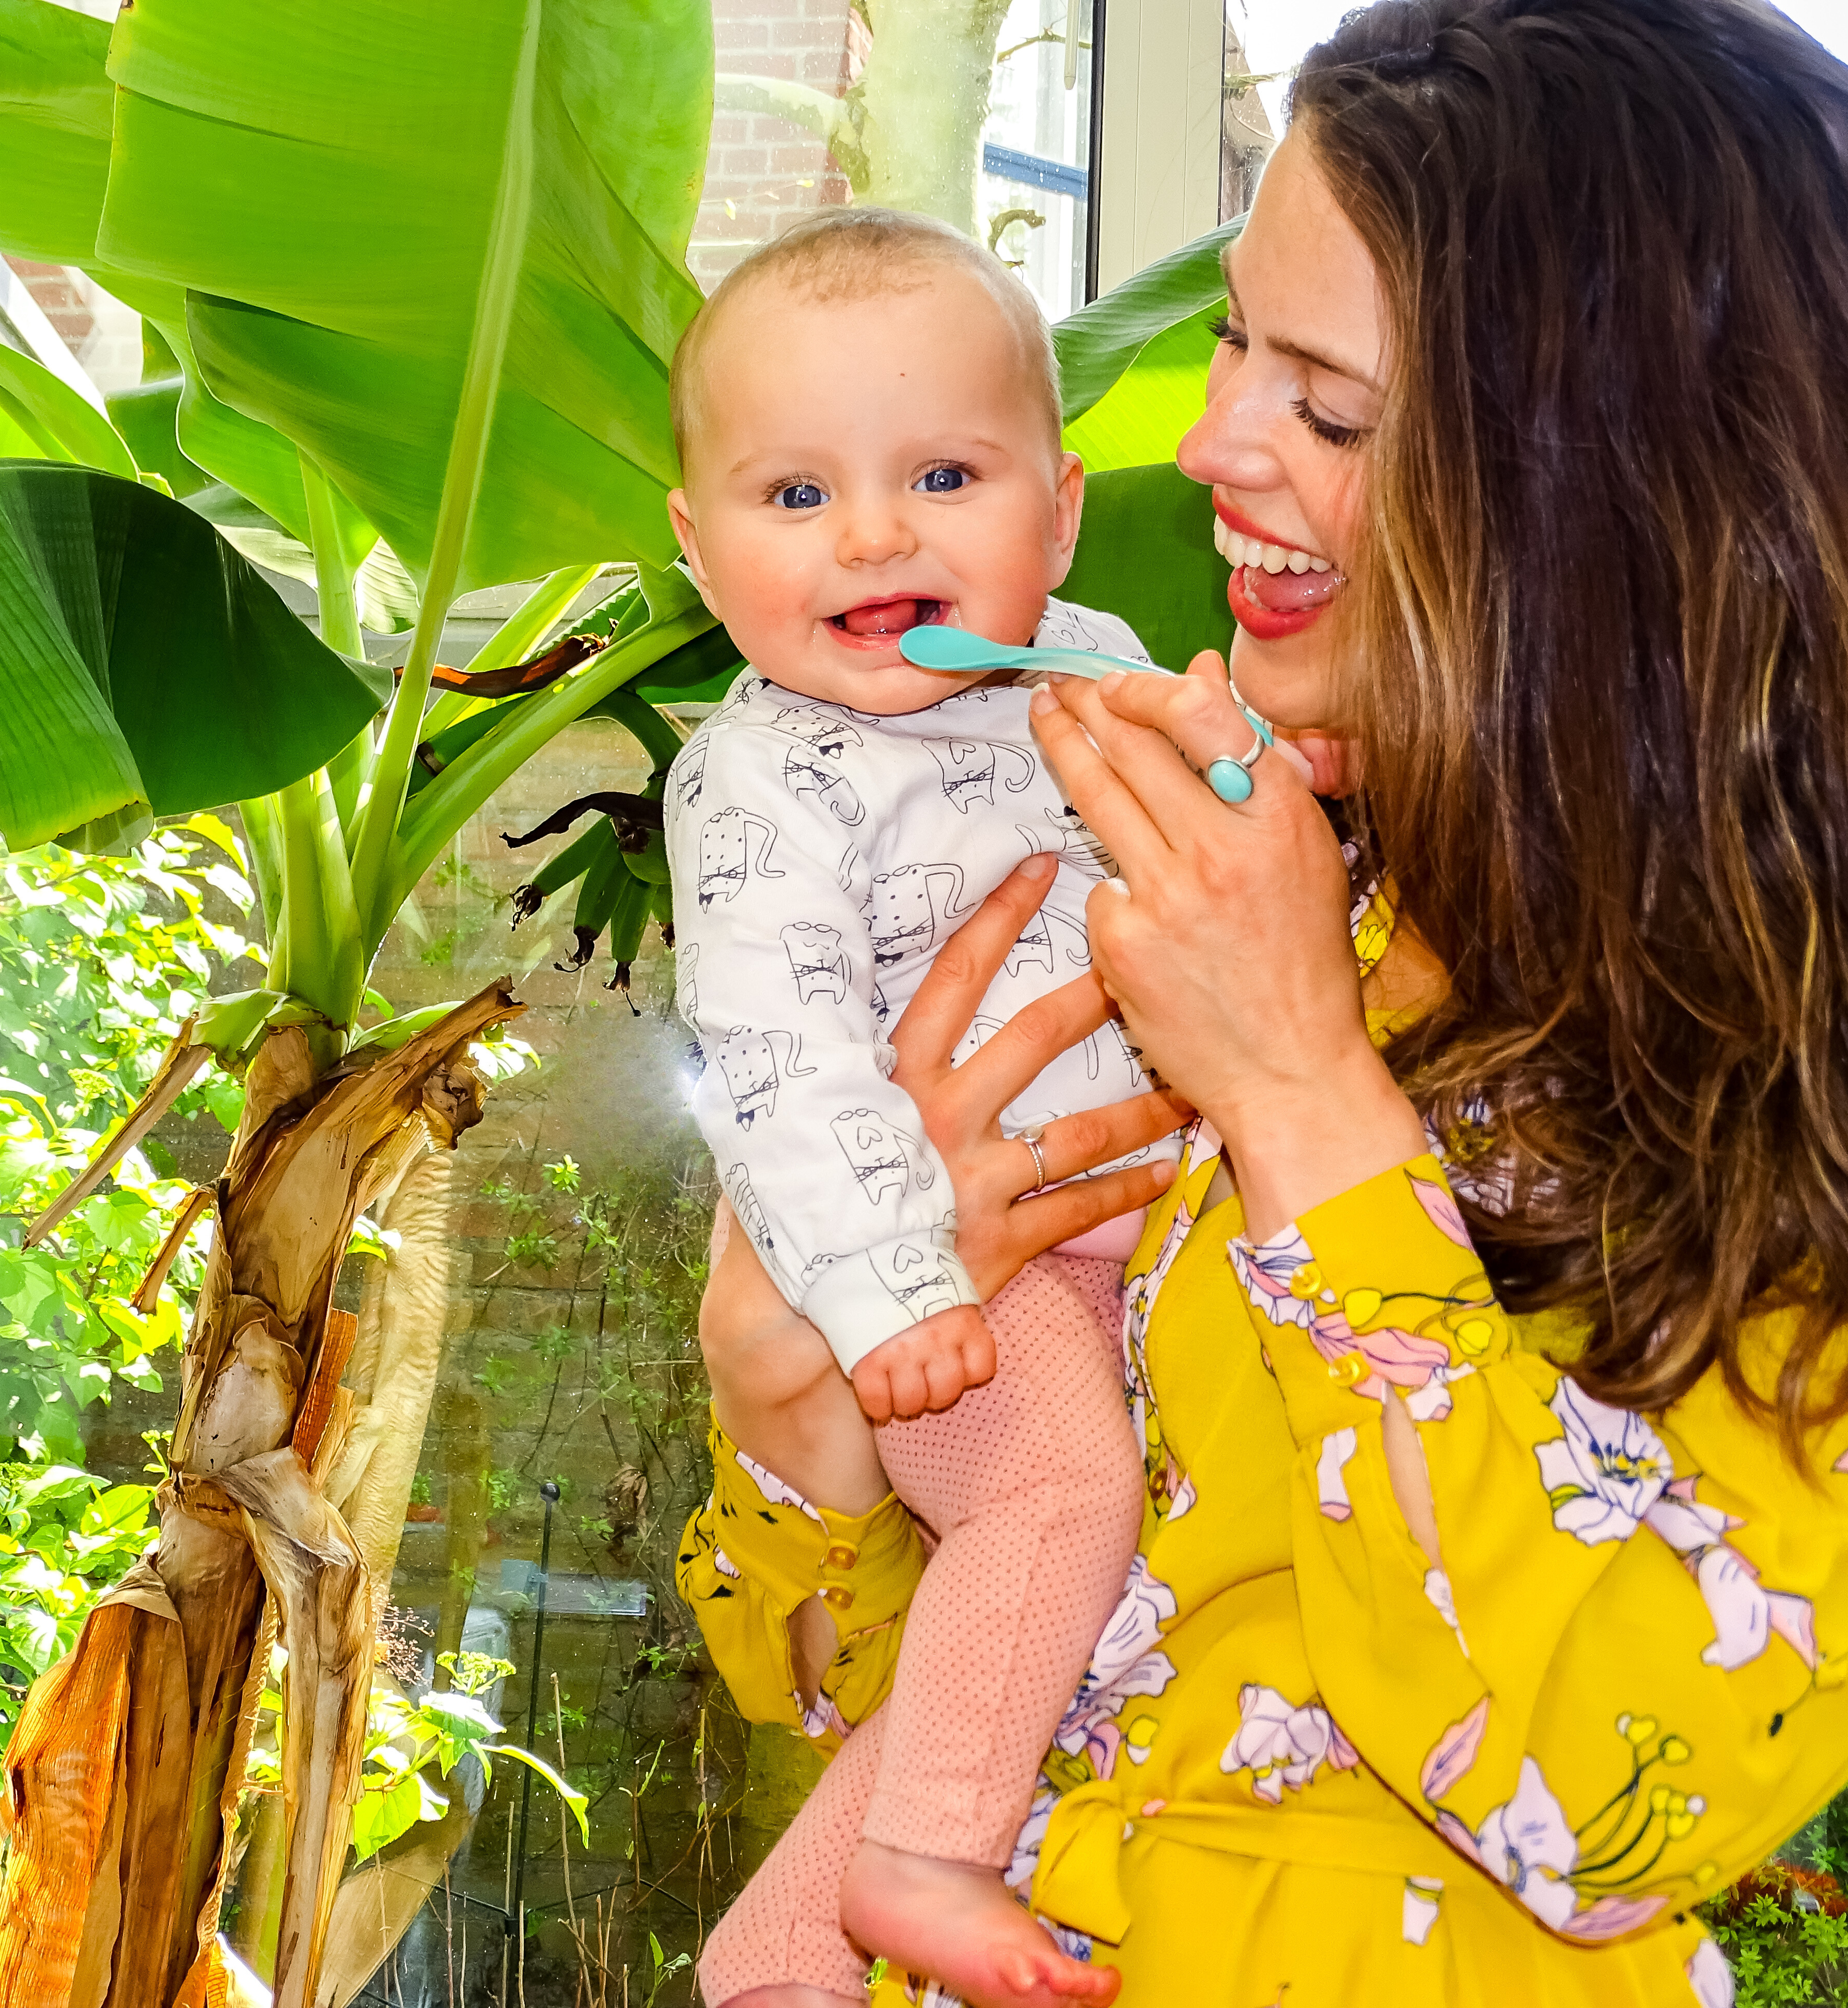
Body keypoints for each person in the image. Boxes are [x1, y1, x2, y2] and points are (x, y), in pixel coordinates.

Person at [677, 1, 1848, 2001]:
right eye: (1234, 341)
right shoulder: (1289, 830)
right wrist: (792, 1392)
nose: (1210, 442)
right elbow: (907, 1679)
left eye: (1329, 408)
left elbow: (1622, 1793)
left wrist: (1299, 1089)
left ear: (1608, 480)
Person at [661, 208, 1192, 2006]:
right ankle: (923, 1859)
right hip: (963, 1284)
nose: (876, 534)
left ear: (1060, 511)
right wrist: (898, 1290)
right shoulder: (760, 782)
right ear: (698, 548)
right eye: (797, 493)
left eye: (945, 476)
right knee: (1058, 1500)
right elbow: (782, 1067)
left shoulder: (1085, 662)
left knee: (1063, 1611)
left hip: (1136, 1242)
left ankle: (780, 1960)